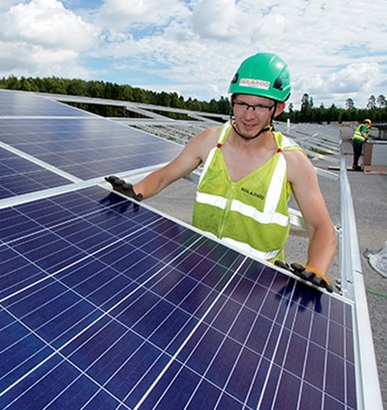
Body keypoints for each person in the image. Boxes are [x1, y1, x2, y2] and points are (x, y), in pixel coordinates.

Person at [106, 52, 337, 291]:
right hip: (198, 273)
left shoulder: (292, 162)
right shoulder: (210, 142)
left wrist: (316, 269)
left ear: (278, 109)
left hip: (255, 287)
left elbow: (322, 228)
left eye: (260, 106)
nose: (248, 115)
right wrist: (135, 191)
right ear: (232, 102)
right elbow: (165, 175)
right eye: (242, 104)